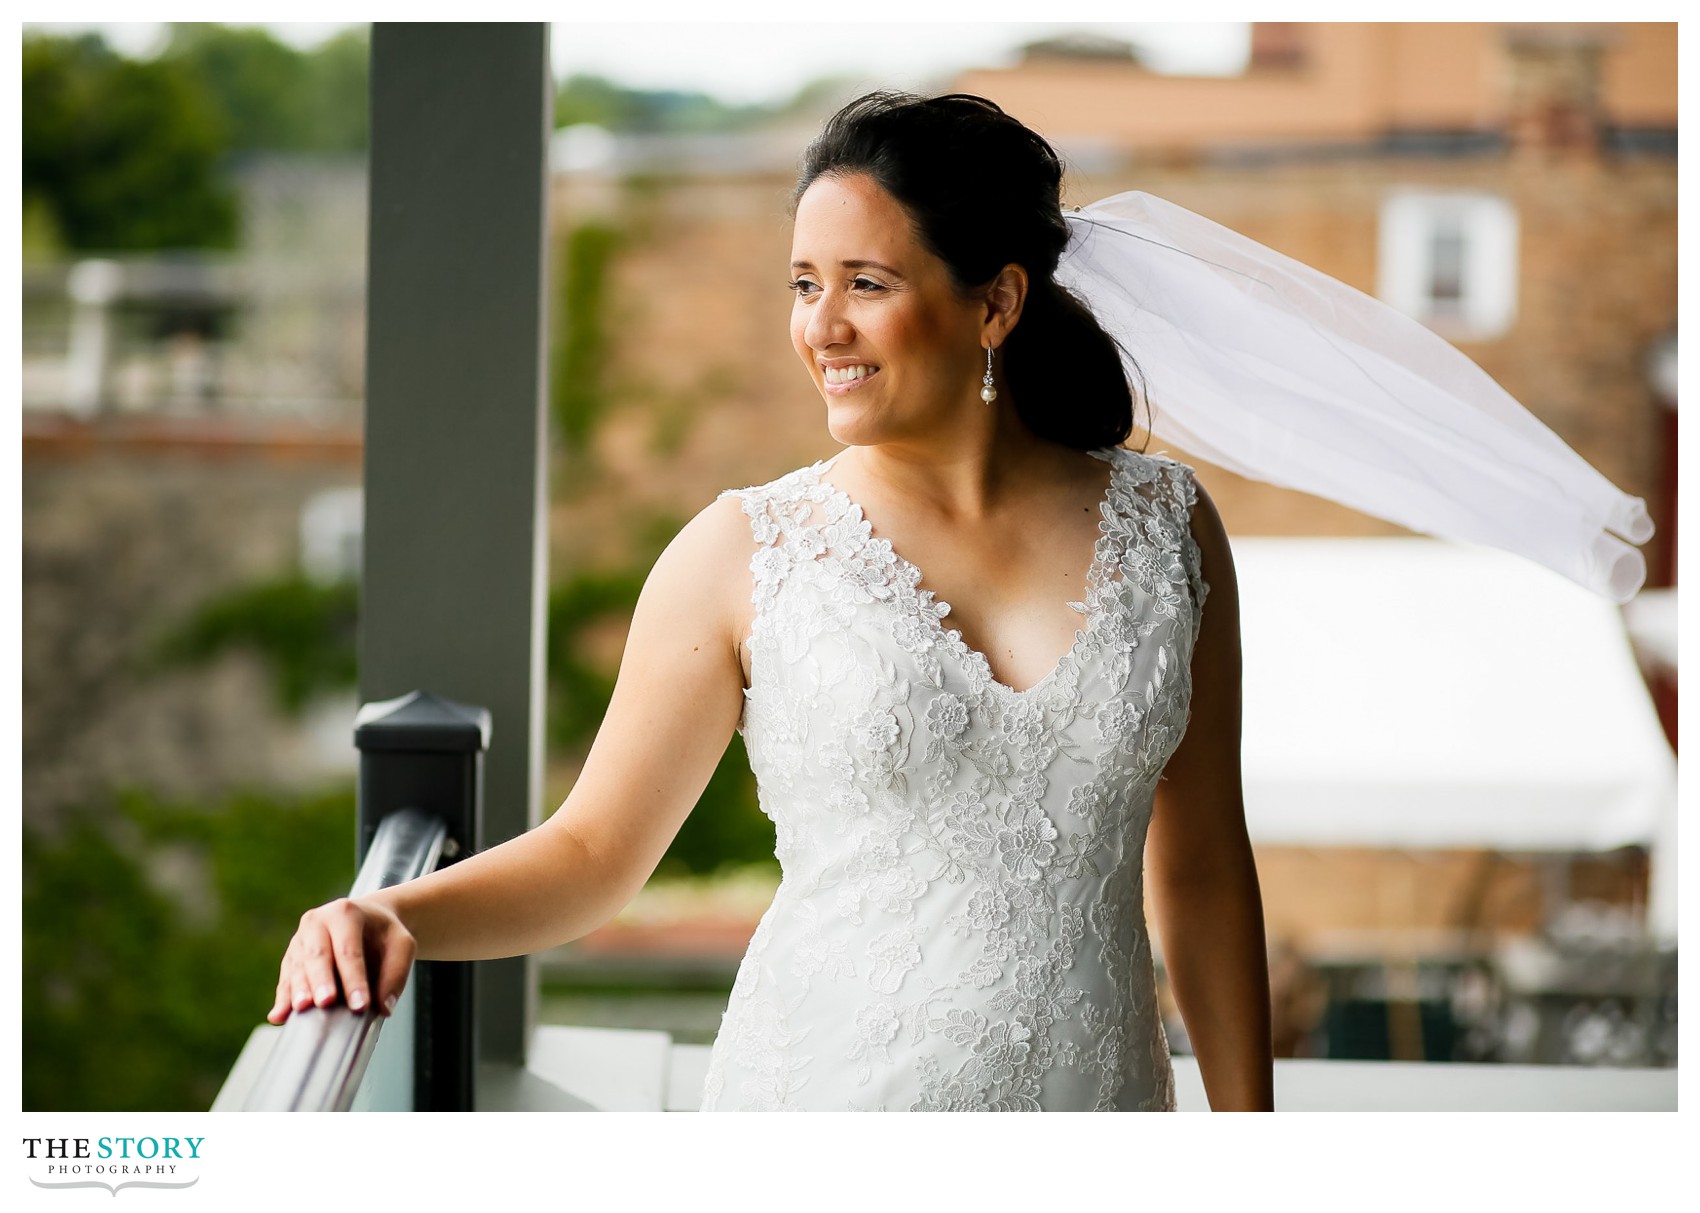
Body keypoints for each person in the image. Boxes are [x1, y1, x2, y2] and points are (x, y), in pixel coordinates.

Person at [265, 91, 1277, 1112]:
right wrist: (395, 914)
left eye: (864, 283)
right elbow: (594, 853)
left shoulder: (1165, 527)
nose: (819, 327)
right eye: (803, 284)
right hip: (822, 1107)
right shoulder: (742, 553)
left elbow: (1198, 871)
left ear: (995, 303)